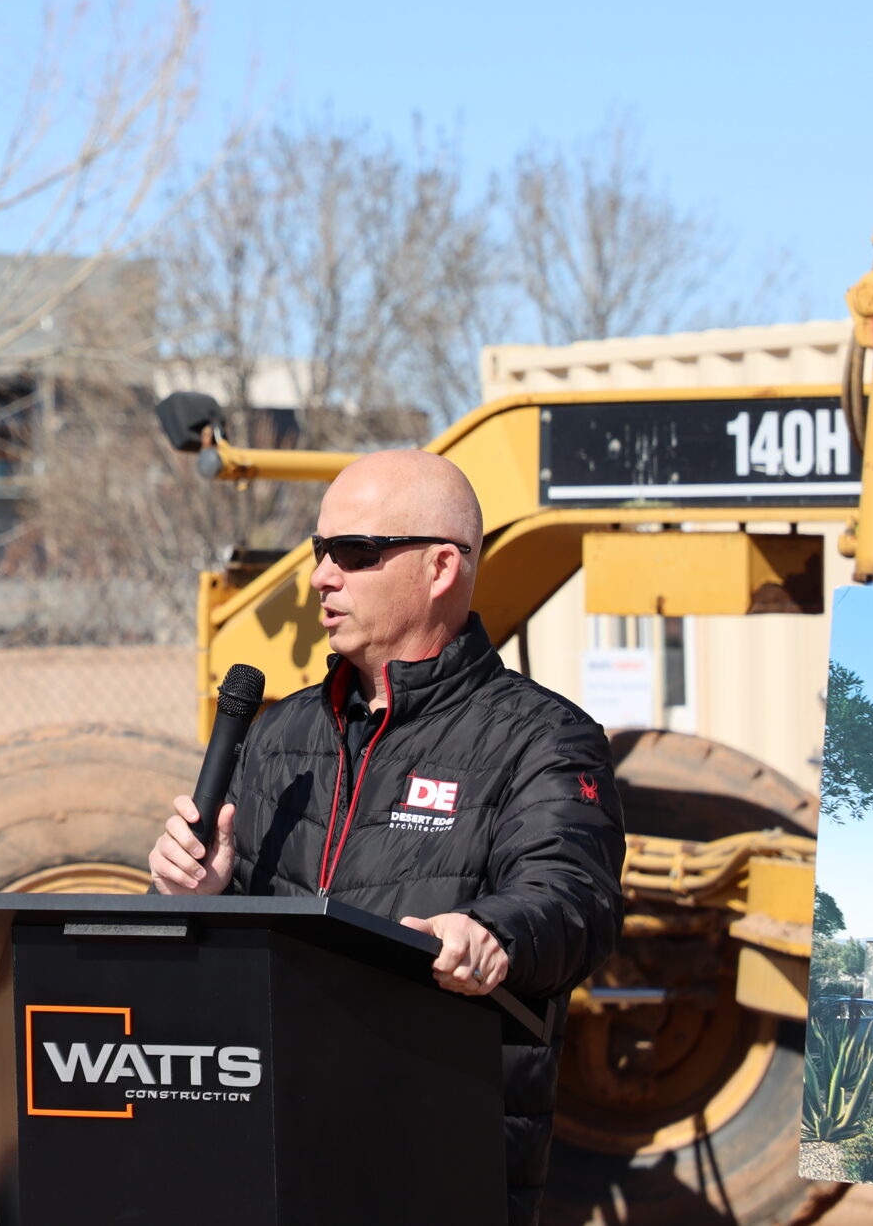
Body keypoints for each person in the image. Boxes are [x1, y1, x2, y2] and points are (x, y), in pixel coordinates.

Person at [147, 449, 622, 1226]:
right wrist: (195, 894)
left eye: (353, 553)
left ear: (441, 567)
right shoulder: (276, 733)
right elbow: (231, 952)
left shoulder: (545, 738)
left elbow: (574, 897)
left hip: (436, 1162)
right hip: (272, 1152)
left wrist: (491, 933)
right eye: (318, 551)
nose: (320, 577)